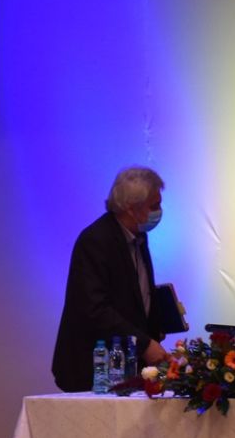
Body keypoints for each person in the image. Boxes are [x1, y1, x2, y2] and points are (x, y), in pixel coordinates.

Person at [52, 166, 169, 392]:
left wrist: (157, 324)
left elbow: (134, 296)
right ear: (131, 208)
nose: (159, 211)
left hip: (127, 363)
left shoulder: (139, 237)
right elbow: (94, 309)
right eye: (154, 206)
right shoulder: (96, 240)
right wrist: (145, 344)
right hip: (95, 367)